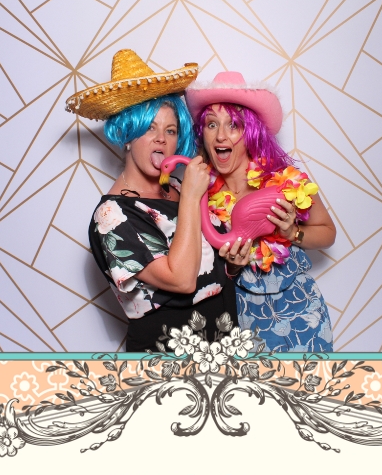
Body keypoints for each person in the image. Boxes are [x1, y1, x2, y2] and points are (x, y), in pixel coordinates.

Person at [67, 48, 250, 353]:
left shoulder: (178, 186)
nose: (161, 139)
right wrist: (191, 197)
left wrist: (231, 266)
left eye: (170, 130)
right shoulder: (111, 216)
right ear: (127, 134)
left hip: (223, 344)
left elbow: (209, 270)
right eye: (149, 128)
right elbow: (182, 281)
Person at [187, 69, 335, 354]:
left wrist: (292, 233)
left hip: (299, 312)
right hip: (236, 316)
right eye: (211, 124)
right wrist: (231, 267)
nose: (221, 135)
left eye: (234, 125)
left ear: (251, 131)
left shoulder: (285, 182)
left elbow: (328, 233)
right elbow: (193, 268)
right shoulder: (197, 193)